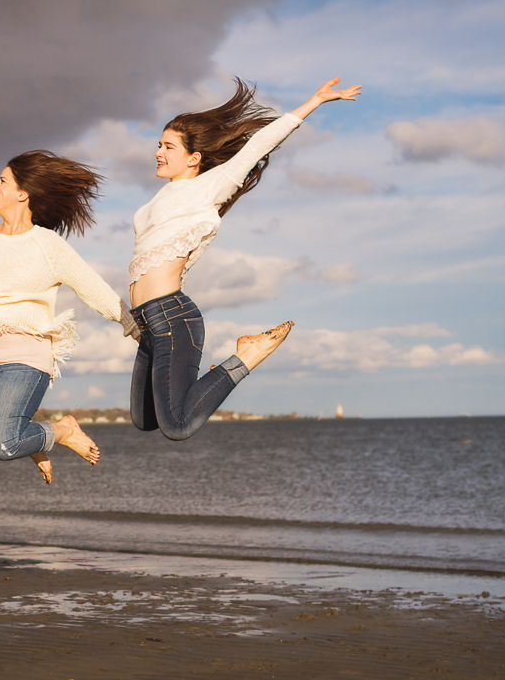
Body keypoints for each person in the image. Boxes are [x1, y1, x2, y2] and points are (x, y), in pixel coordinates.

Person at [128, 77, 361, 440]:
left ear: (194, 158)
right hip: (147, 322)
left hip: (172, 316)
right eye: (159, 144)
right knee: (145, 420)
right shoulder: (155, 201)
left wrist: (314, 101)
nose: (158, 152)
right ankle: (238, 358)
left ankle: (248, 355)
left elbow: (258, 144)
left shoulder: (210, 186)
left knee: (178, 426)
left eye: (168, 147)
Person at [0, 151, 139, 485]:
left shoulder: (48, 245)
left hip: (26, 357)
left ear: (23, 193)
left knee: (4, 444)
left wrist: (135, 327)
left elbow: (94, 288)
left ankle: (61, 431)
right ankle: (32, 438)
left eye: (2, 181)